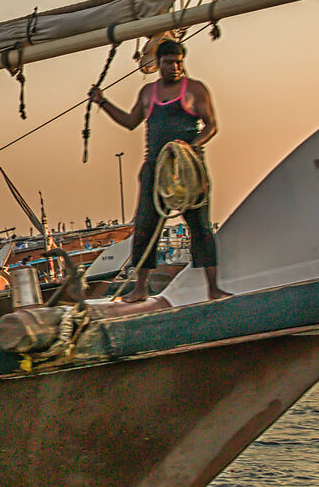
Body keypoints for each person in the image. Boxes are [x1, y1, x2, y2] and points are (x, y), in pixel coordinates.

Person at [89, 36, 224, 302]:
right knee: (145, 225)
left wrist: (190, 147)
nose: (174, 67)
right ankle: (140, 288)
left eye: (178, 62)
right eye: (169, 62)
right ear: (158, 64)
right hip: (155, 168)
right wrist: (101, 102)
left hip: (188, 169)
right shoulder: (148, 93)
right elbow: (130, 122)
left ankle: (213, 288)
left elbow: (212, 125)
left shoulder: (195, 89)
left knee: (200, 227)